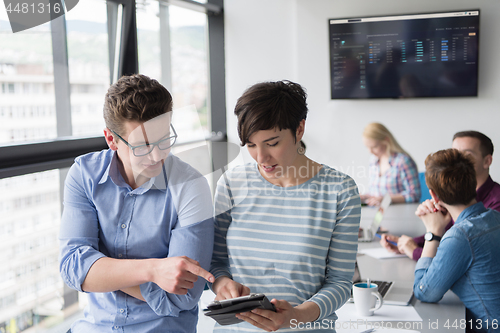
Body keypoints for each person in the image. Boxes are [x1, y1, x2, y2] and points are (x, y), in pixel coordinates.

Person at [59, 74, 215, 332]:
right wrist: (153, 270)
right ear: (112, 140)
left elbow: (182, 296)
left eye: (164, 139)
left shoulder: (191, 186)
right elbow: (72, 269)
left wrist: (102, 267)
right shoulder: (84, 174)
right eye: (142, 146)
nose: (157, 155)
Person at [210, 80, 361, 332]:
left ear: (299, 129)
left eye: (272, 143)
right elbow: (216, 261)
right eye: (250, 145)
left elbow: (340, 283)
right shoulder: (232, 183)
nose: (261, 158)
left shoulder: (340, 190)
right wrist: (222, 283)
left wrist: (297, 315)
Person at [412, 148, 500, 333]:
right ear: (473, 182)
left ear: (434, 195)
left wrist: (433, 232)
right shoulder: (494, 217)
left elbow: (424, 292)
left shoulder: (460, 236)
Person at [380, 131, 500, 260]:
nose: (459, 162)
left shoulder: (496, 203)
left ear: (487, 161)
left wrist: (415, 251)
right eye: (455, 154)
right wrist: (408, 243)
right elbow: (445, 233)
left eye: (467, 155)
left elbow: (459, 256)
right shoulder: (456, 194)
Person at [361, 122, 420, 206]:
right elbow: (375, 193)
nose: (370, 151)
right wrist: (364, 197)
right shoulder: (373, 161)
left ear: (386, 140)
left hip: (398, 214)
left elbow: (414, 195)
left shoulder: (403, 161)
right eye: (367, 147)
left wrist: (386, 199)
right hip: (377, 213)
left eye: (374, 147)